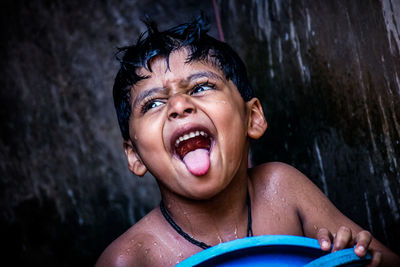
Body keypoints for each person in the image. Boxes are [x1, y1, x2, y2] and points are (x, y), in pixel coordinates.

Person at [96, 15, 400, 266]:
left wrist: (362, 258)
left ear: (252, 117)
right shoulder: (130, 259)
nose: (179, 106)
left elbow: (389, 260)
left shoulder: (282, 189)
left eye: (201, 87)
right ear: (134, 155)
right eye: (153, 104)